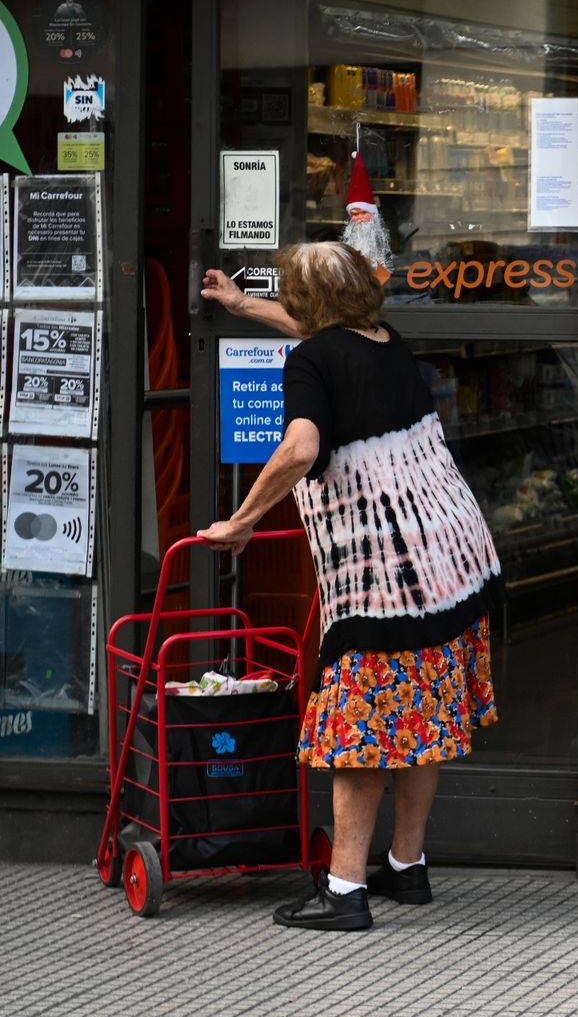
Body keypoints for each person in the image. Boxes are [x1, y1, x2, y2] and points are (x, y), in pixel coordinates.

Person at [199, 244, 504, 932]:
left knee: (358, 730)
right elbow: (322, 330)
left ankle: (344, 889)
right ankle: (406, 864)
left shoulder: (311, 361)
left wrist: (243, 520)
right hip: (455, 562)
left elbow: (302, 449)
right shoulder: (386, 340)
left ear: (310, 306)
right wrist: (244, 306)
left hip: (383, 578)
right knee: (425, 716)